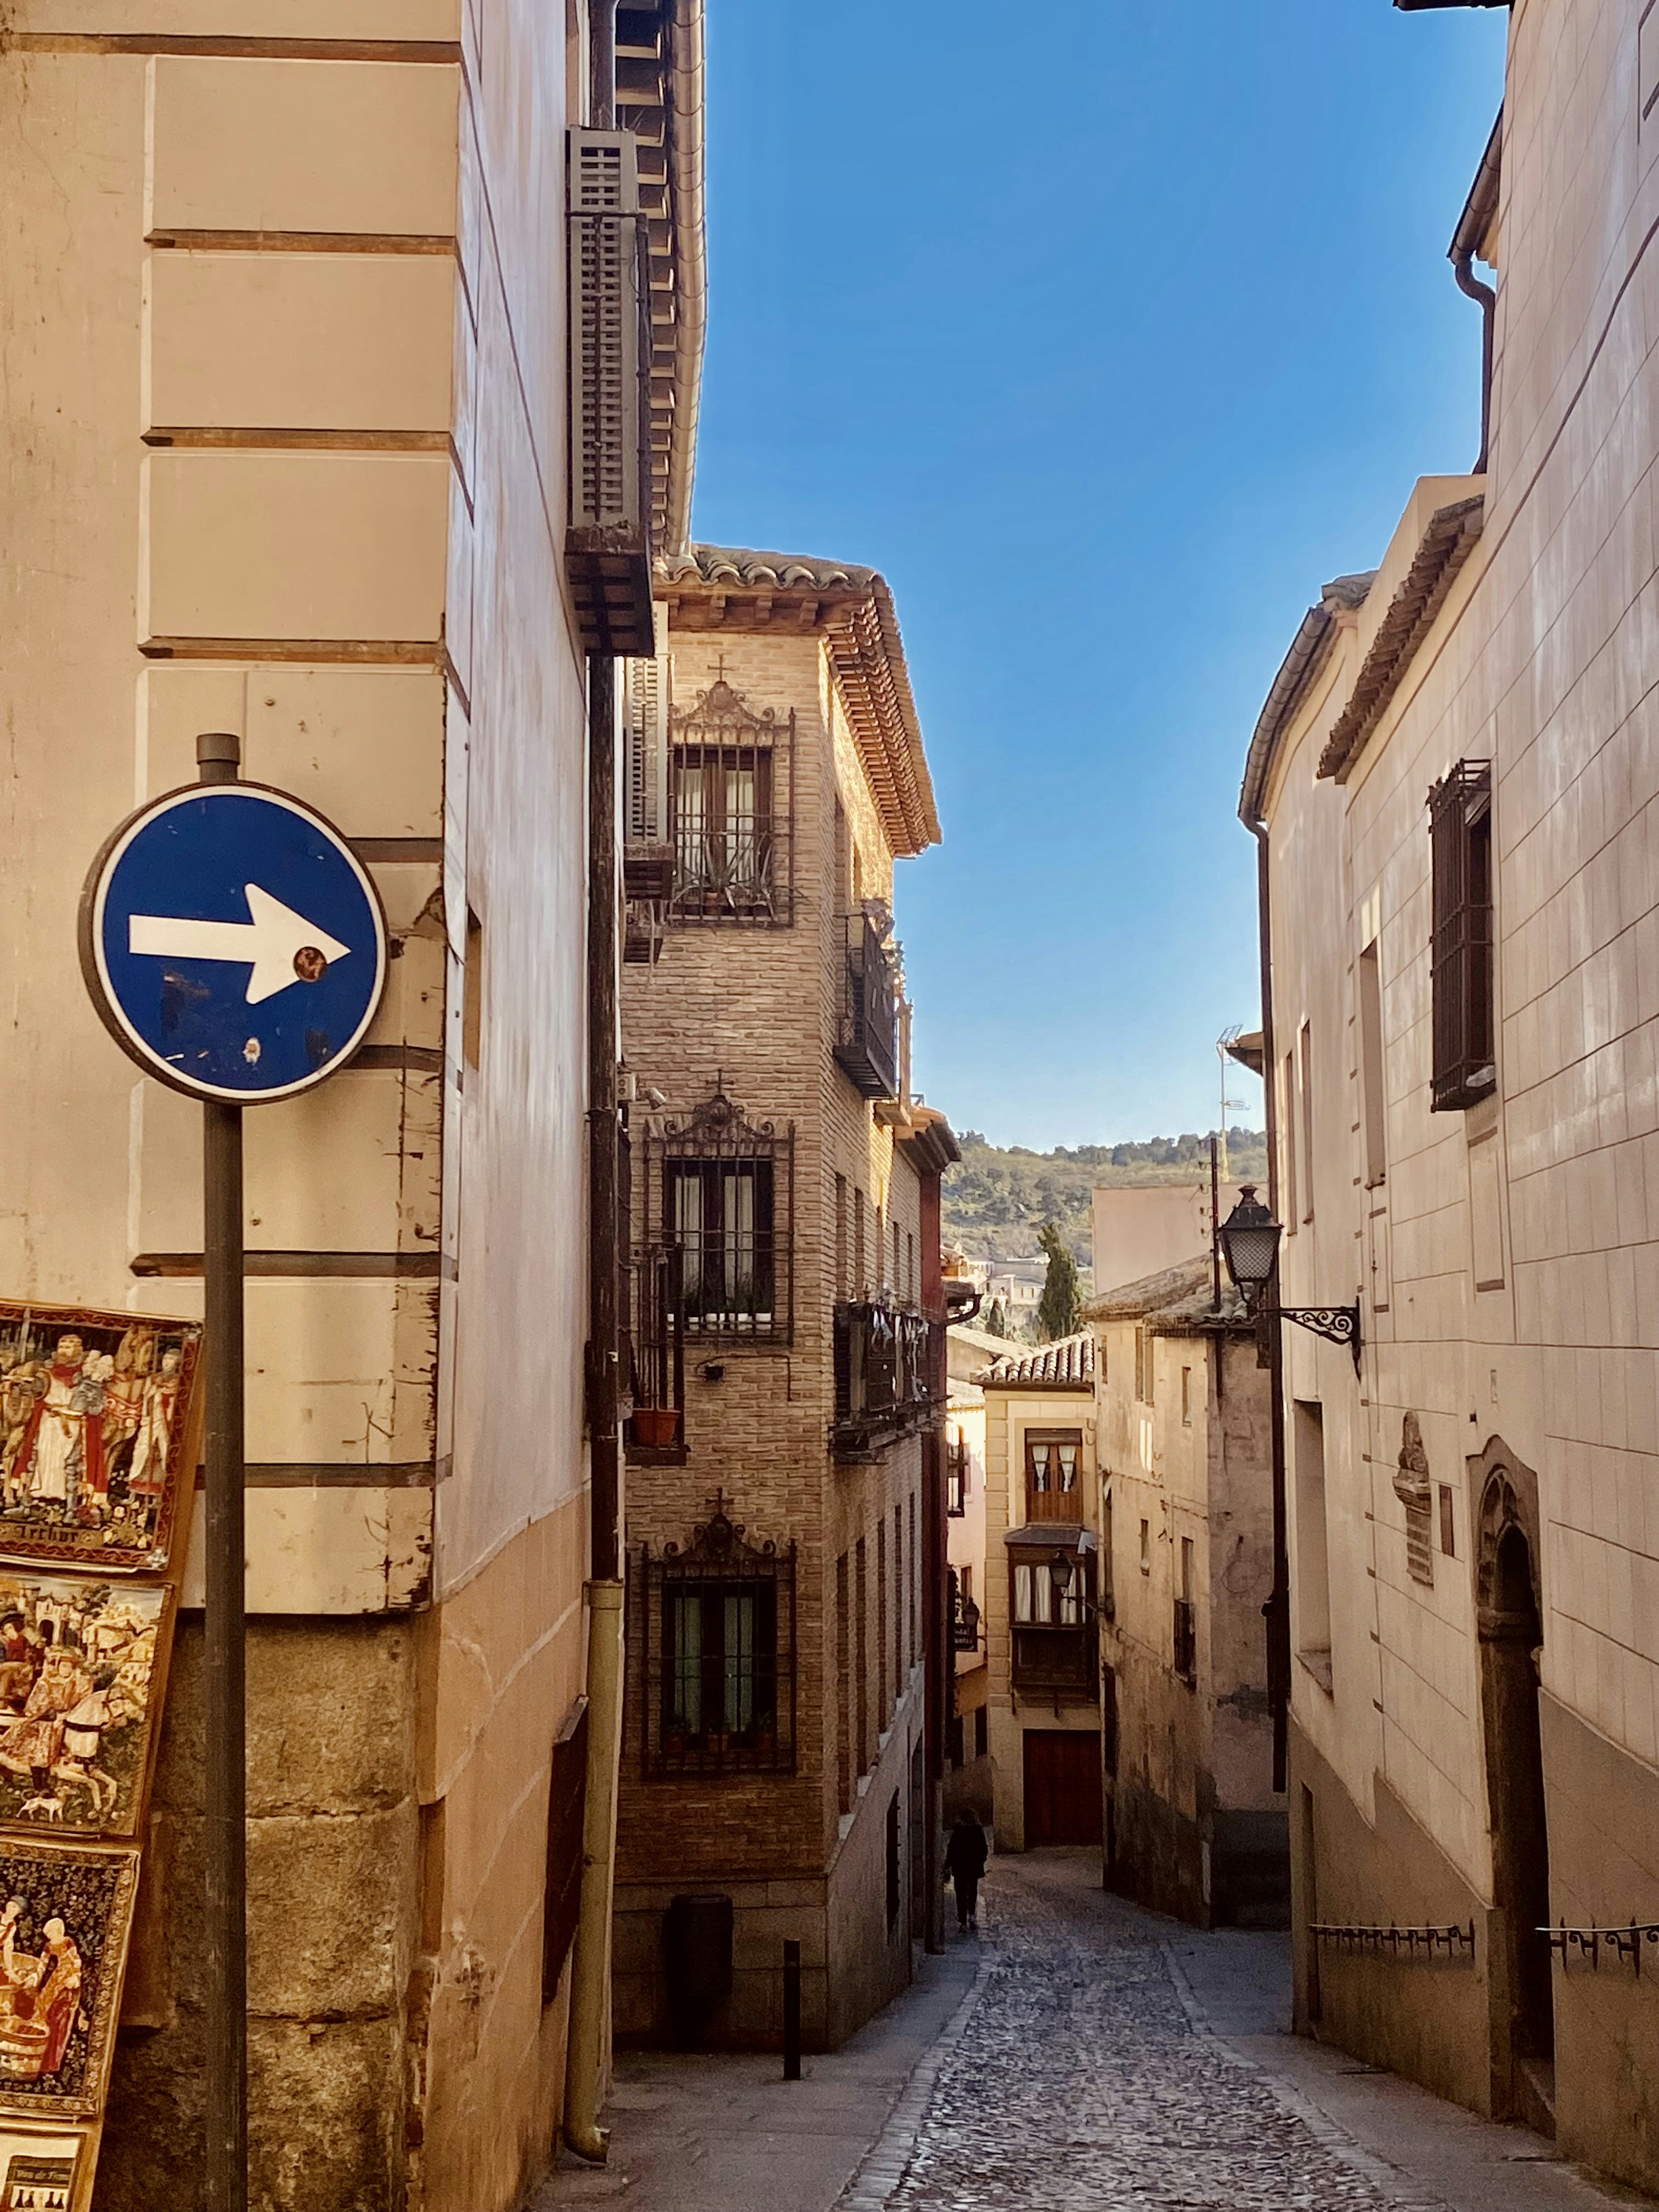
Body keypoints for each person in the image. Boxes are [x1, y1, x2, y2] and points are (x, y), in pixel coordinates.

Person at [944, 1809, 988, 1933]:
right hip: (973, 1867)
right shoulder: (978, 1831)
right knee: (972, 1890)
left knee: (961, 1894)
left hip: (960, 1867)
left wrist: (948, 1865)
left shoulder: (958, 1831)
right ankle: (972, 1916)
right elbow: (984, 1850)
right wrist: (980, 1861)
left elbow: (951, 1849)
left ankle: (963, 1921)